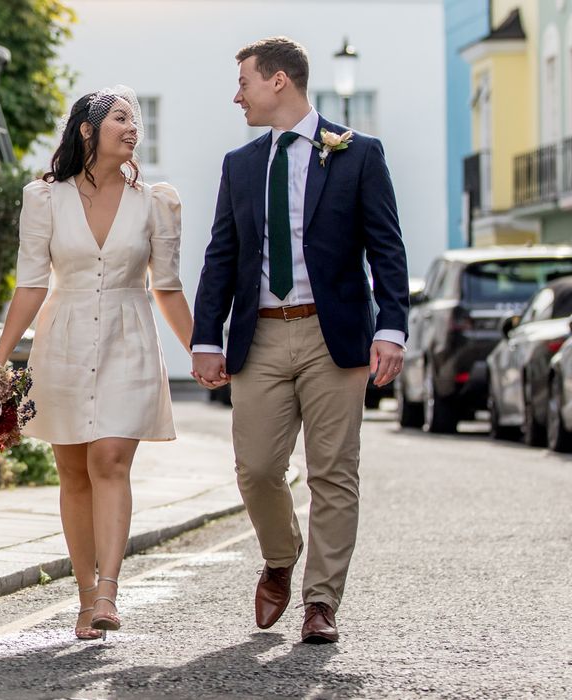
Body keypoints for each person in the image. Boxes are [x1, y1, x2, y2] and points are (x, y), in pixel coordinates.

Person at [191, 37, 409, 644]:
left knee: (333, 472)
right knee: (257, 468)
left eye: (245, 83)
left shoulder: (358, 153)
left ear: (279, 81)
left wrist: (392, 326)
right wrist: (206, 336)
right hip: (259, 335)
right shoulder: (239, 165)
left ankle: (321, 601)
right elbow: (221, 256)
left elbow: (387, 248)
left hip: (332, 335)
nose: (238, 95)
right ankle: (280, 555)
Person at [0, 87, 193, 640]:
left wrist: (201, 351)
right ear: (88, 129)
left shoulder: (157, 201)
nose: (134, 129)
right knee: (74, 472)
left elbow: (167, 289)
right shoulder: (44, 198)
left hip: (129, 338)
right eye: (122, 118)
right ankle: (84, 597)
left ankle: (109, 590)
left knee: (110, 459)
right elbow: (31, 284)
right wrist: (0, 361)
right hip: (63, 340)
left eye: (138, 121)